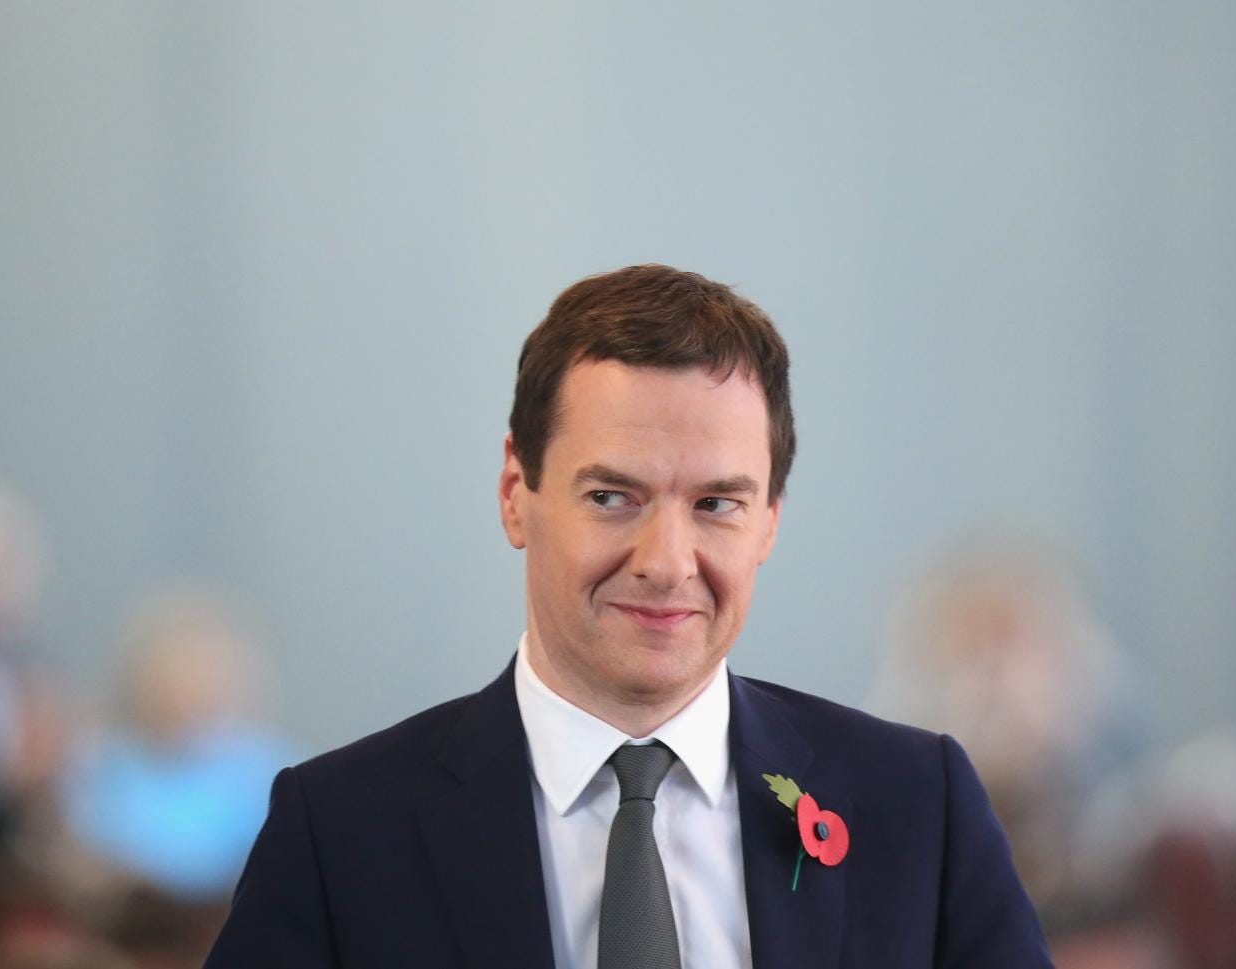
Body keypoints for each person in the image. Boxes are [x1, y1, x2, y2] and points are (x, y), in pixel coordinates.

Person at [204, 265, 1053, 968]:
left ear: (769, 522)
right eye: (612, 496)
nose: (666, 560)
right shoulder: (341, 832)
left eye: (717, 502)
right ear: (514, 494)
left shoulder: (916, 806)